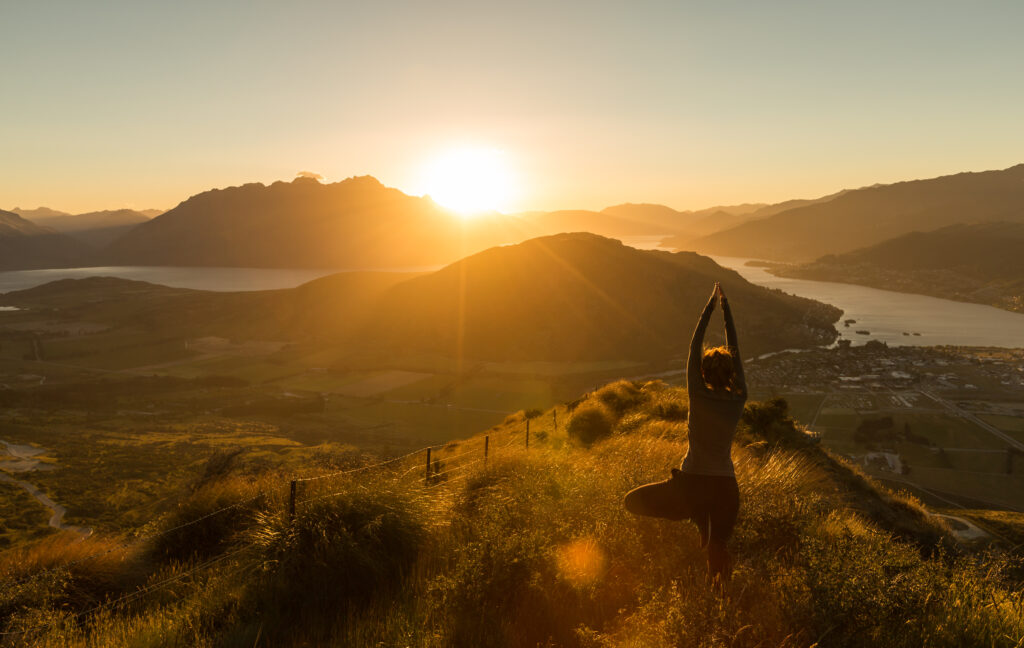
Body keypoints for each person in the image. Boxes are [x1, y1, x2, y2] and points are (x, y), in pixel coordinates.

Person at [623, 282, 747, 584]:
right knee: (718, 552)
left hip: (691, 485)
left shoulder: (697, 392)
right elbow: (736, 350)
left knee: (631, 501)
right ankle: (720, 605)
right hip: (725, 489)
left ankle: (694, 514)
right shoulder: (739, 397)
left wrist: (709, 306)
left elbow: (695, 346)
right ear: (731, 374)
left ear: (702, 373)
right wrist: (726, 307)